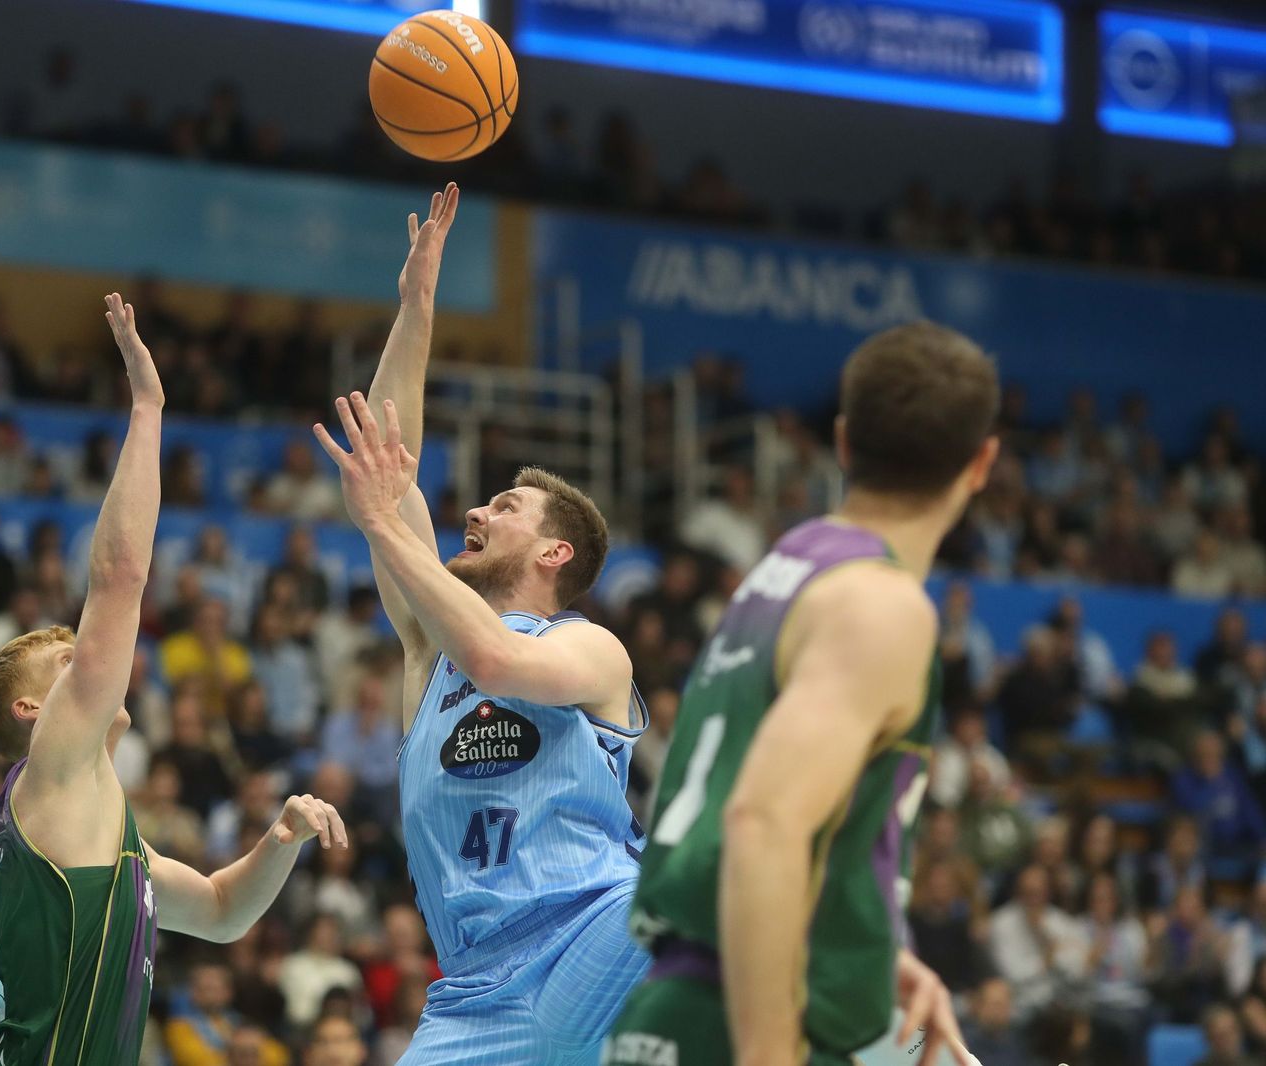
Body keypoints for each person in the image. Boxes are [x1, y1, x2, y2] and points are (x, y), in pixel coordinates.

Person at [312, 185, 650, 1065]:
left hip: (595, 934)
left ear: (555, 555)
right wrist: (415, 308)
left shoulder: (587, 648)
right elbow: (393, 465)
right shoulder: (427, 650)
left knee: (722, 881)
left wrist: (385, 523)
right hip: (472, 994)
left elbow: (496, 658)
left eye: (505, 506)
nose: (473, 510)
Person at [605, 321, 1000, 1066]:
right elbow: (761, 823)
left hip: (686, 1002)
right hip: (740, 1021)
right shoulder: (880, 606)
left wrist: (871, 953)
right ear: (982, 464)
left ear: (843, 444)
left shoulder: (789, 565)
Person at [0, 294, 345, 1066]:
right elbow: (118, 577)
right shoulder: (50, 768)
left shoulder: (109, 837)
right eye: (69, 663)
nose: (94, 665)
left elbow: (220, 910)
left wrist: (279, 839)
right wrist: (147, 406)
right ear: (33, 708)